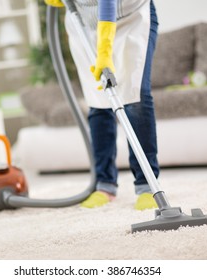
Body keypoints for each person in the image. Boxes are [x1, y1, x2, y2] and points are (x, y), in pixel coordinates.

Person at [45, 0, 159, 210]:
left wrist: (105, 53)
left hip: (131, 17)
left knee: (136, 99)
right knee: (98, 102)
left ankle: (147, 186)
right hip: (84, 24)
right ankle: (104, 185)